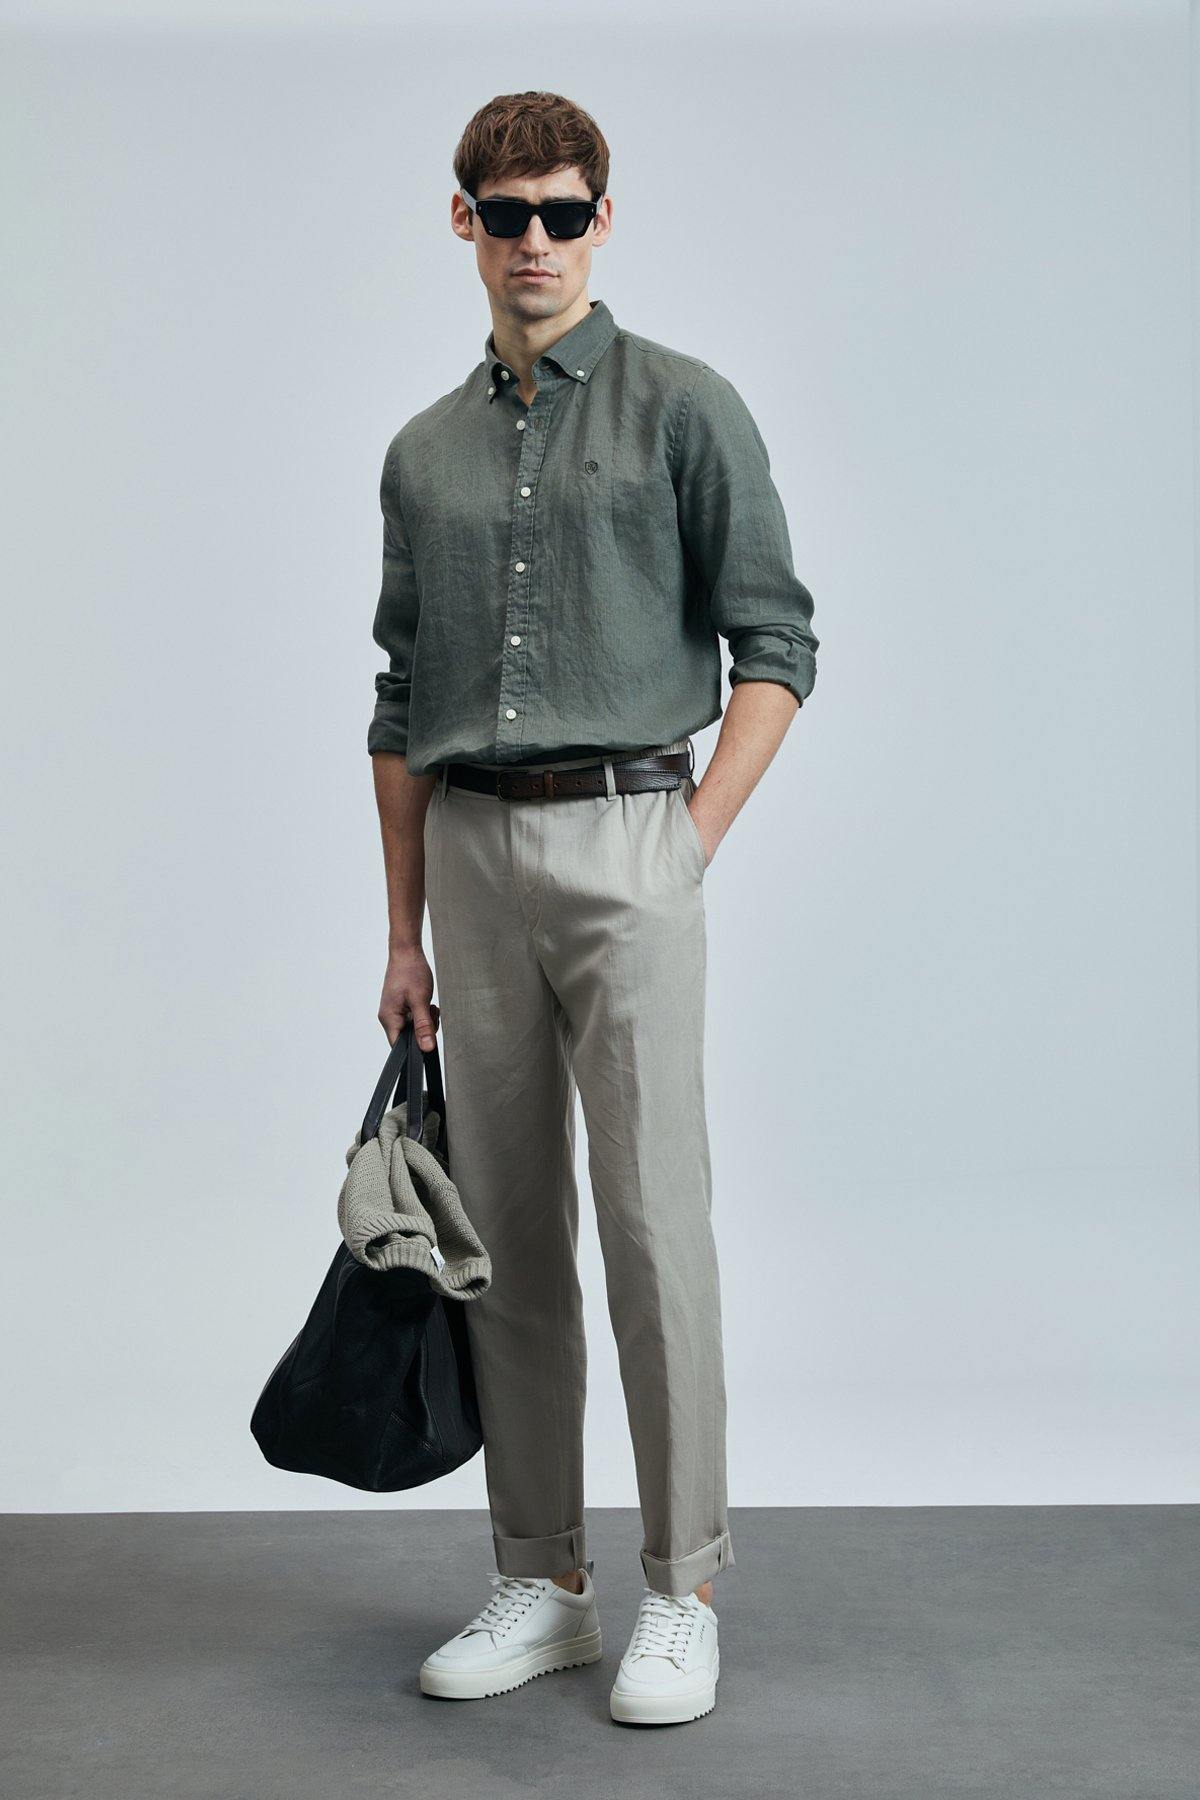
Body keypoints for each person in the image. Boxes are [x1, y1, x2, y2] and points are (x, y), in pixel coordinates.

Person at [366, 90, 818, 1727]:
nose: (535, 243)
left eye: (563, 213)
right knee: (503, 1237)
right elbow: (398, 702)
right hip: (471, 860)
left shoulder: (686, 406)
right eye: (507, 215)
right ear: (466, 224)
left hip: (634, 838)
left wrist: (686, 843)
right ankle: (543, 1580)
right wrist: (403, 931)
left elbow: (777, 646)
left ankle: (681, 1590)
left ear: (602, 220)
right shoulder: (424, 452)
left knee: (650, 1225)